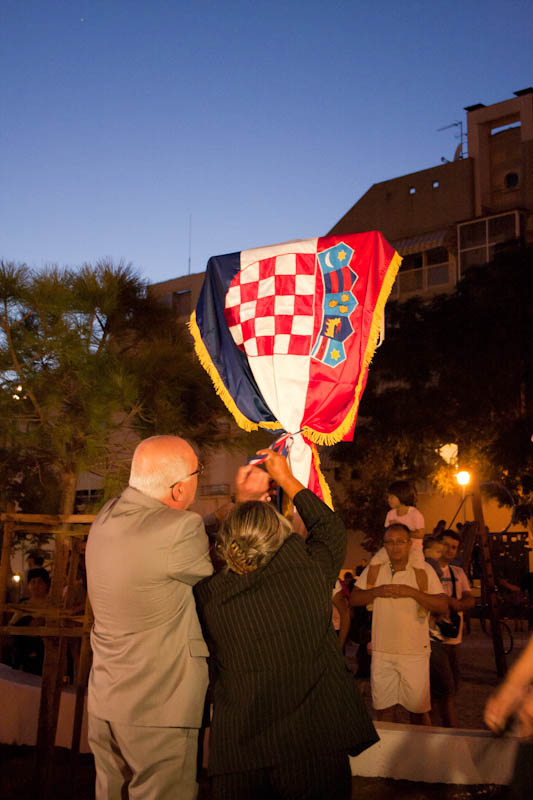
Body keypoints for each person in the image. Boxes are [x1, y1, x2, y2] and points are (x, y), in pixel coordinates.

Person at [86, 435, 269, 800]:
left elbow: (160, 540)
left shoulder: (106, 514)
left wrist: (220, 513)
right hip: (157, 706)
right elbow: (230, 575)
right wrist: (247, 506)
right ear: (179, 488)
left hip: (107, 698)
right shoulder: (179, 529)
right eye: (198, 473)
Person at [194, 450, 378, 800]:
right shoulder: (309, 574)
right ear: (280, 536)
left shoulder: (210, 596)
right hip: (311, 744)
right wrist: (288, 481)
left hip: (241, 751)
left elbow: (211, 544)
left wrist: (245, 502)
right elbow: (330, 529)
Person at [352, 524, 447, 725]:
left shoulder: (423, 570)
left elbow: (442, 604)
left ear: (410, 544)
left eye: (400, 542)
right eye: (390, 542)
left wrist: (412, 592)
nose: (395, 547)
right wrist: (378, 591)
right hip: (382, 653)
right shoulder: (375, 569)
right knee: (384, 710)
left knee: (419, 712)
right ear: (384, 545)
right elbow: (354, 598)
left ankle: (423, 755)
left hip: (414, 653)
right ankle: (388, 754)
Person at [429, 529, 474, 727]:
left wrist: (456, 605)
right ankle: (449, 733)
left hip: (454, 639)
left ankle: (439, 731)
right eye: (446, 545)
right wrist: (448, 602)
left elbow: (469, 599)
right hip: (433, 640)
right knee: (445, 692)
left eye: (454, 547)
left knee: (451, 688)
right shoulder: (426, 570)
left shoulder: (458, 572)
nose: (449, 550)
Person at [366, 480, 427, 598]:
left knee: (419, 568)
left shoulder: (415, 514)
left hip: (413, 548)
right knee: (374, 563)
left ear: (402, 496)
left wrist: (401, 529)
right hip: (393, 548)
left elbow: (420, 534)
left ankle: (424, 595)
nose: (388, 499)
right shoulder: (390, 514)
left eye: (392, 497)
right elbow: (388, 533)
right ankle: (370, 594)